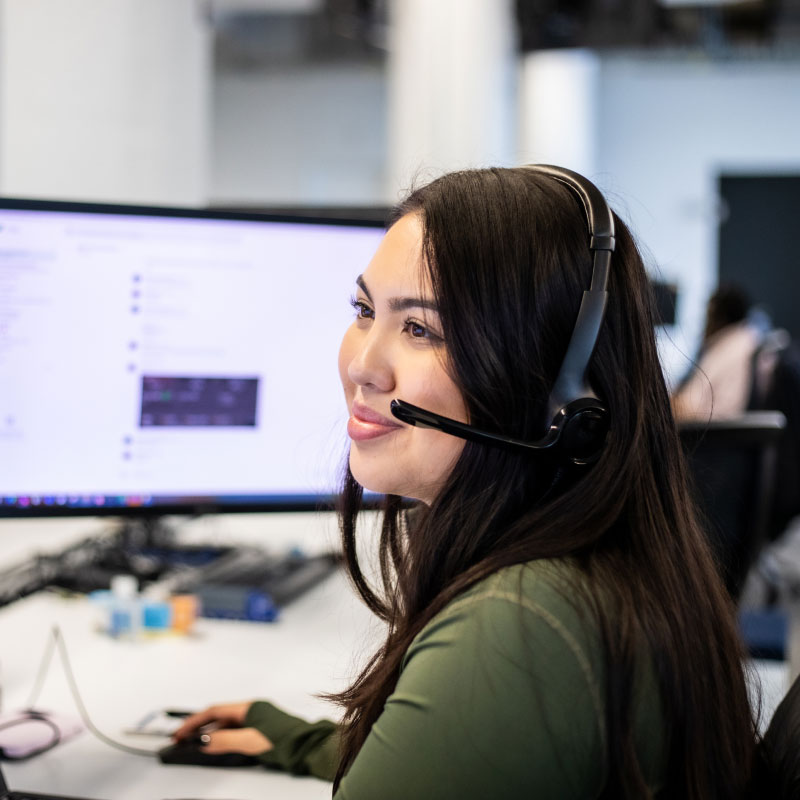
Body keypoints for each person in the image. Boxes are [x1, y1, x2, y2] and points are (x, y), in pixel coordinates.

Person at [173, 166, 757, 798]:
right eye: (365, 310)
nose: (363, 366)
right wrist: (305, 742)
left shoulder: (519, 630)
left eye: (420, 328)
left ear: (554, 398)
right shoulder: (591, 574)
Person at [671, 283, 764, 421]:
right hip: (712, 430)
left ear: (719, 316)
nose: (705, 322)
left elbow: (689, 409)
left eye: (708, 314)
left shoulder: (728, 351)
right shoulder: (743, 341)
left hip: (707, 433)